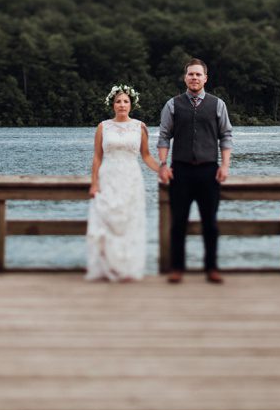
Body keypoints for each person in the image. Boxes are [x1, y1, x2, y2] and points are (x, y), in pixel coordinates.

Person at [156, 58, 233, 284]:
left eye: (198, 75)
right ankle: (177, 268)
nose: (194, 78)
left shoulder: (218, 104)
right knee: (178, 222)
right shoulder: (172, 105)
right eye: (191, 74)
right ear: (185, 77)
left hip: (210, 170)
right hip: (179, 170)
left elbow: (226, 136)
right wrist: (163, 164)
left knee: (210, 222)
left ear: (205, 78)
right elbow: (163, 137)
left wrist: (225, 165)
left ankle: (212, 268)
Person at [86, 84, 161, 282]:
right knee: (106, 220)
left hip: (131, 178)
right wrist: (94, 183)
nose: (121, 105)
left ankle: (127, 268)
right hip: (108, 177)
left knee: (129, 222)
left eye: (125, 101)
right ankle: (107, 267)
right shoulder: (103, 126)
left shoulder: (140, 127)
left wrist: (162, 169)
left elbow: (146, 156)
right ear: (112, 105)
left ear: (131, 104)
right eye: (118, 101)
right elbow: (97, 158)